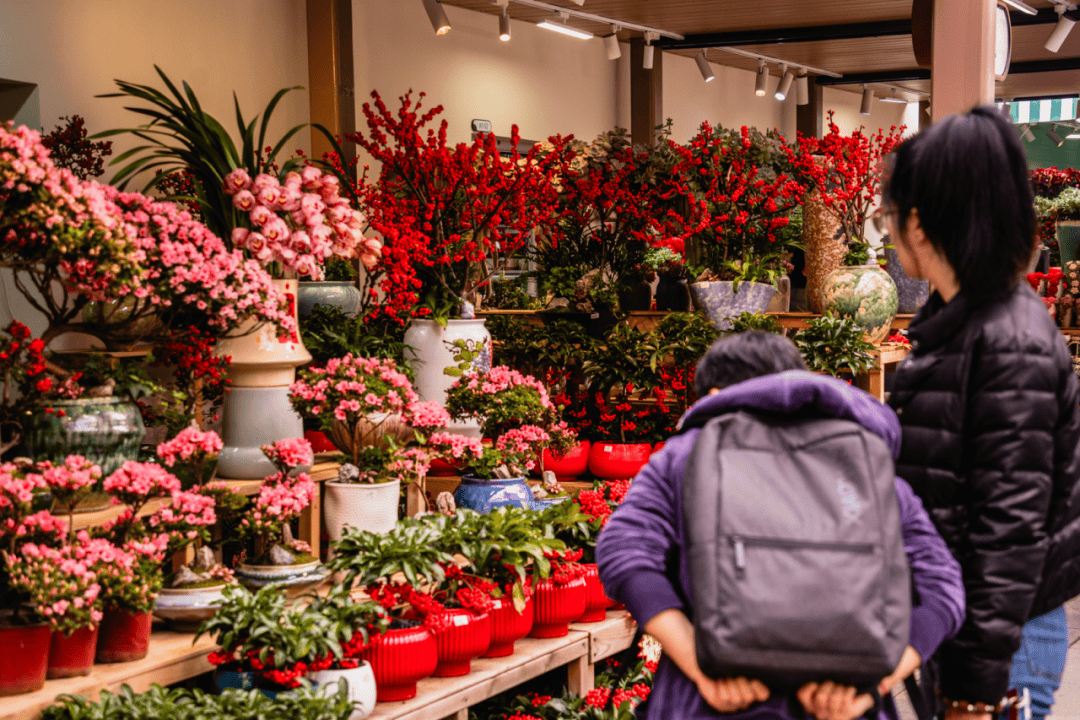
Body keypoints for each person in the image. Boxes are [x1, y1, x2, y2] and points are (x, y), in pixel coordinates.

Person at [596, 331, 966, 720]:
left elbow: (623, 551)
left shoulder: (687, 455)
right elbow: (944, 590)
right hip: (842, 707)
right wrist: (872, 686)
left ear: (715, 396)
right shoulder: (865, 467)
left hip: (708, 706)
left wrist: (699, 663)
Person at [882, 105, 1080, 720]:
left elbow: (1009, 531)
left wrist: (974, 691)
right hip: (965, 629)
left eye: (890, 214)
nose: (889, 231)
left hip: (998, 647)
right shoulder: (962, 325)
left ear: (919, 222)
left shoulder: (1006, 342)